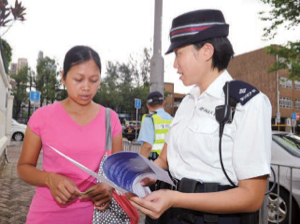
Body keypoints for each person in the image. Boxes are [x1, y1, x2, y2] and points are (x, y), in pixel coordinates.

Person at [129, 9, 272, 224]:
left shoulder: (247, 103)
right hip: (168, 211)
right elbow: (164, 160)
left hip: (212, 218)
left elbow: (251, 197)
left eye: (178, 54)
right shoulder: (187, 102)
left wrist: (176, 198)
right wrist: (143, 176)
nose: (175, 65)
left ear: (206, 51)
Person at [17, 45, 123, 223]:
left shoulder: (110, 119)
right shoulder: (42, 117)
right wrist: (50, 179)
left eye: (93, 80)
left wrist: (109, 186)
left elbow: (118, 171)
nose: (86, 87)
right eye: (78, 79)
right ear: (63, 77)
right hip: (47, 214)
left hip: (96, 216)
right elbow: (23, 168)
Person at [137, 91, 173, 161]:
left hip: (156, 163)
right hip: (171, 162)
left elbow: (147, 146)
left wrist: (139, 165)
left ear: (148, 105)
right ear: (163, 102)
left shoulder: (149, 119)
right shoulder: (172, 119)